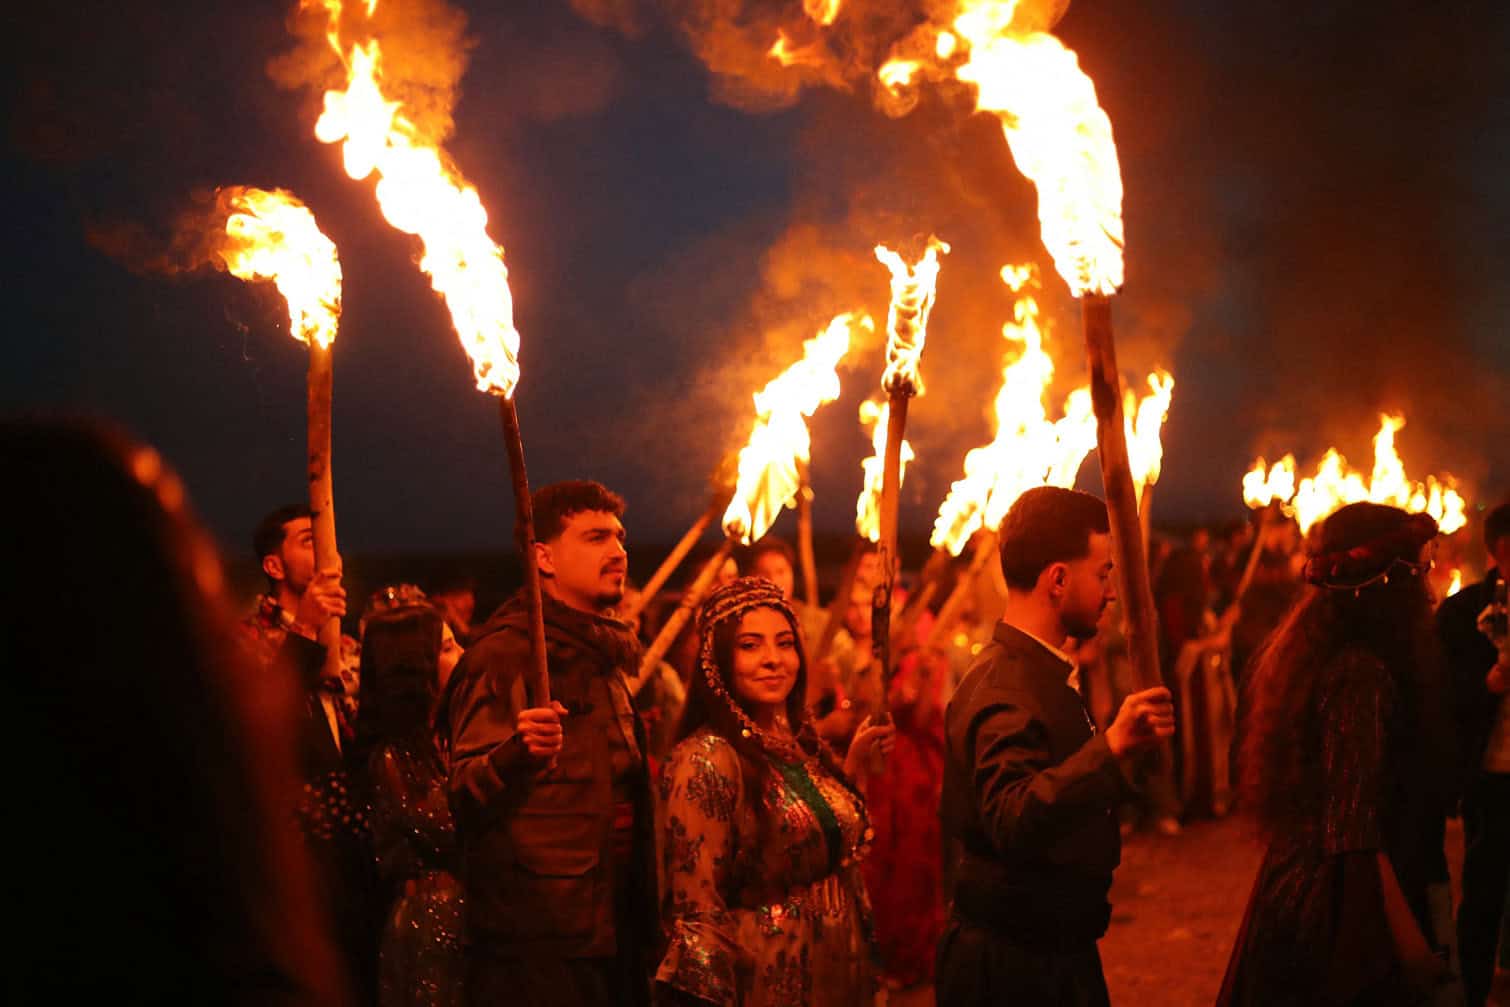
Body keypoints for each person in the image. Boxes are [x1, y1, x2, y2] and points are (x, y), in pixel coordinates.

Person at [3, 421, 344, 1001]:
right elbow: (251, 735)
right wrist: (304, 635)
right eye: (179, 558)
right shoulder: (235, 653)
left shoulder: (344, 646)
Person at [937, 487, 1175, 1007]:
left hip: (1052, 955)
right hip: (1012, 974)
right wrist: (1109, 748)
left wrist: (1128, 756)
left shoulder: (1038, 671)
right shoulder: (1003, 687)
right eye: (1103, 574)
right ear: (1059, 580)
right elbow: (1012, 815)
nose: (1111, 593)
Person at [1219, 503, 1456, 1005]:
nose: (1430, 592)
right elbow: (1354, 834)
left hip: (1316, 891)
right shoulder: (1359, 673)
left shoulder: (1328, 654)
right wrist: (1412, 949)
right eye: (1421, 573)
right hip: (1339, 916)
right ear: (1387, 581)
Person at [440, 480, 656, 1006]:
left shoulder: (602, 656)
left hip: (614, 927)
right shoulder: (504, 656)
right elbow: (459, 795)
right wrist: (515, 752)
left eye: (620, 537)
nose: (618, 552)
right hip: (537, 944)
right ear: (544, 557)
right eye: (596, 537)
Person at [656, 576, 895, 1006]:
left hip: (838, 972)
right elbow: (697, 914)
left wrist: (853, 767)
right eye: (750, 646)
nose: (772, 659)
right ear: (717, 662)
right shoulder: (705, 759)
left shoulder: (799, 746)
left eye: (784, 643)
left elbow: (826, 844)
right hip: (766, 981)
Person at [245, 505, 378, 1002]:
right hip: (297, 857)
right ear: (274, 566)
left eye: (327, 540)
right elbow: (261, 723)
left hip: (359, 857)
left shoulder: (349, 647)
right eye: (308, 540)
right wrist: (303, 630)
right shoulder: (244, 641)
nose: (325, 552)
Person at [356, 605, 467, 1007]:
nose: (463, 654)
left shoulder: (447, 738)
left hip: (463, 917)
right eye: (448, 647)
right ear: (416, 667)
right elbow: (449, 829)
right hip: (430, 923)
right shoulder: (393, 758)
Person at [1437, 501, 1510, 1007]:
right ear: (1498, 550)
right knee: (1484, 892)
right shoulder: (1465, 615)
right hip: (1493, 776)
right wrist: (1487, 684)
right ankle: (1472, 993)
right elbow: (1442, 695)